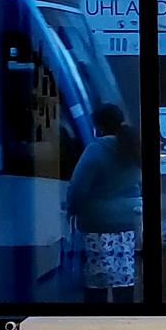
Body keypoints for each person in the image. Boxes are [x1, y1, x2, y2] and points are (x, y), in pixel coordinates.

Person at [66, 103, 142, 304]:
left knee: (97, 276)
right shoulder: (133, 146)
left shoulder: (96, 149)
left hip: (97, 223)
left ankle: (97, 316)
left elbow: (78, 186)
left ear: (98, 126)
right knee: (124, 275)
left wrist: (71, 209)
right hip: (128, 222)